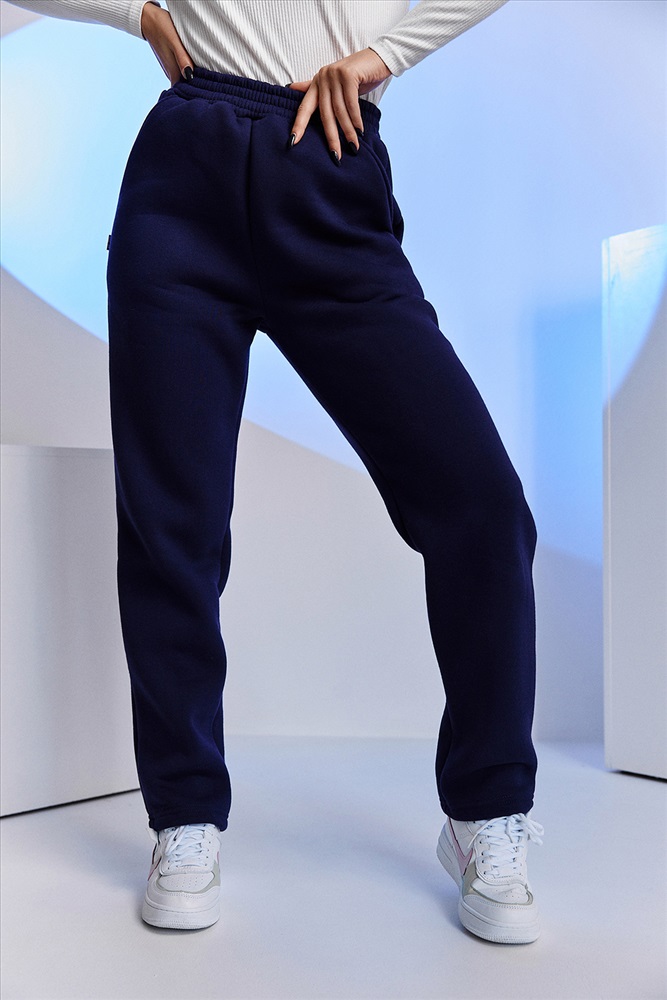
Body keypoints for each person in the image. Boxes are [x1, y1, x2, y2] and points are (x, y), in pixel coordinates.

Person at [8, 0, 545, 944]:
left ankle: (485, 809)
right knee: (172, 526)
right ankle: (183, 817)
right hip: (184, 176)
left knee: (481, 506)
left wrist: (384, 55)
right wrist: (136, 13)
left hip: (329, 170)